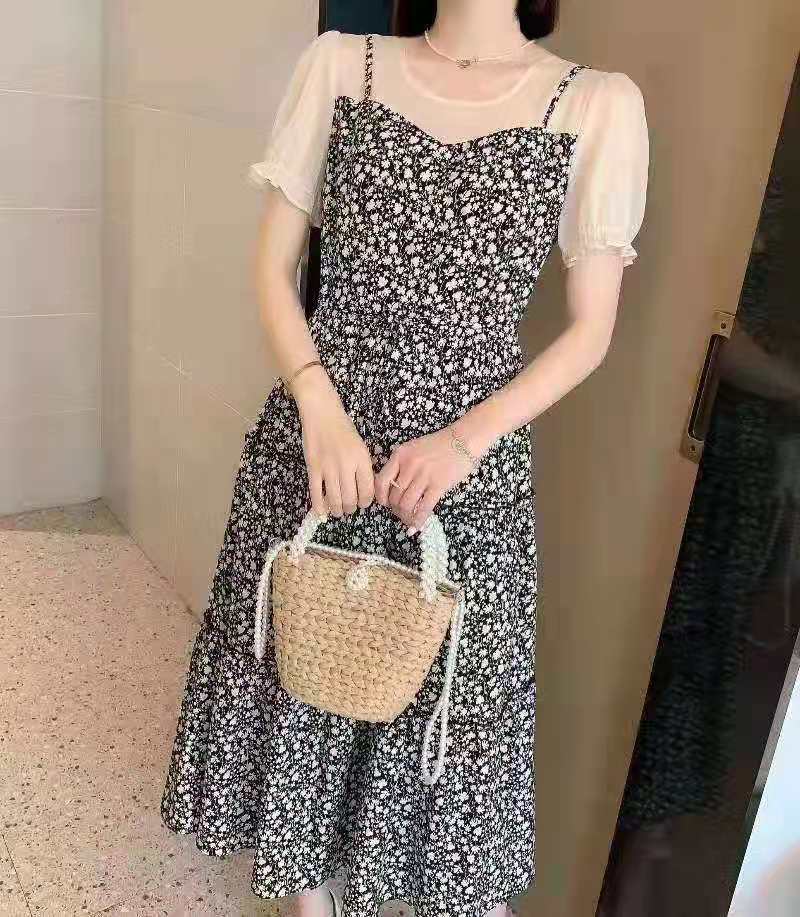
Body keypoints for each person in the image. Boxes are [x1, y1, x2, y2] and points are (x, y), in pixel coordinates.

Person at [160, 2, 649, 915]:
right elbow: (272, 270)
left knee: (455, 705)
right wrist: (318, 406)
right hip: (321, 446)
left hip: (468, 470)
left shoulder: (597, 104)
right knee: (304, 676)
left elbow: (591, 330)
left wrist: (464, 442)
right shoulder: (342, 64)